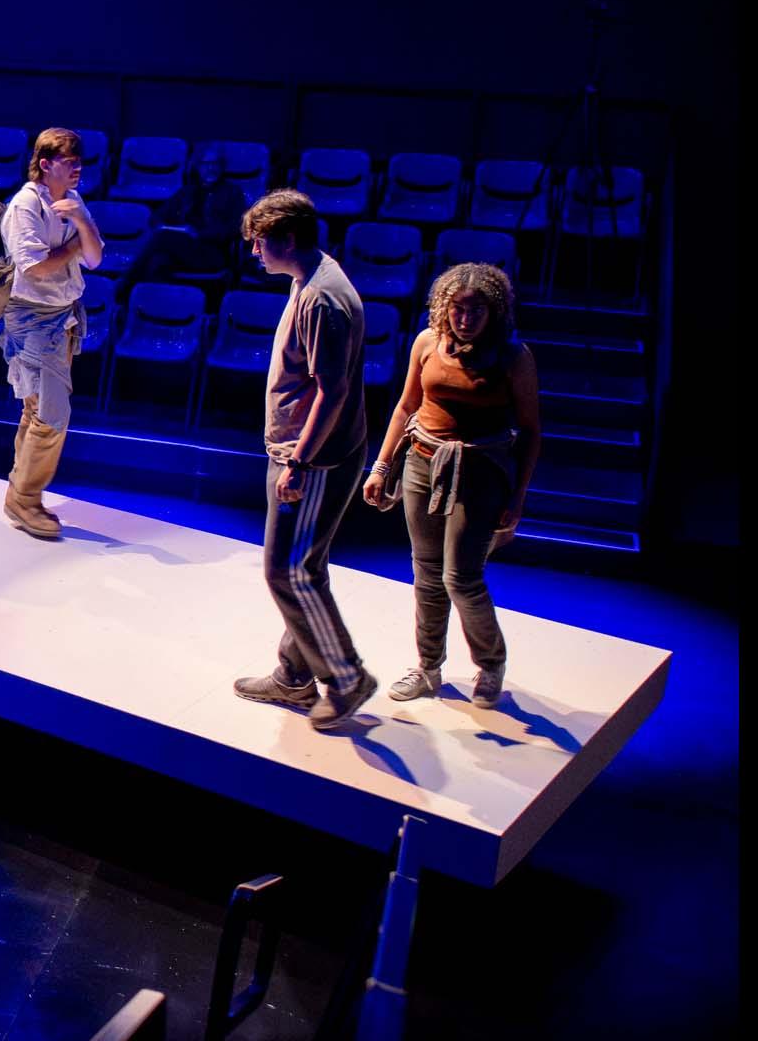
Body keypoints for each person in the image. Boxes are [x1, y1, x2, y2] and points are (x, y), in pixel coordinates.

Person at [367, 261, 541, 710]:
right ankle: (428, 667)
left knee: (461, 577)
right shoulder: (427, 343)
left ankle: (491, 663)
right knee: (425, 573)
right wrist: (382, 467)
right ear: (442, 307)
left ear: (495, 311)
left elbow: (531, 430)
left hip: (480, 470)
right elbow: (406, 408)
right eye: (456, 308)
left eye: (475, 310)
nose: (464, 318)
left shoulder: (513, 357)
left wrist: (517, 499)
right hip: (422, 463)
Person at [231, 189, 374, 732]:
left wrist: (299, 462)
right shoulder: (314, 278)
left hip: (312, 459)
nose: (254, 253)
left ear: (288, 239)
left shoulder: (320, 298)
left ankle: (344, 676)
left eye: (260, 243)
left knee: (287, 572)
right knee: (303, 566)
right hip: (312, 452)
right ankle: (294, 675)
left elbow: (330, 392)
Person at [0, 128, 104, 539]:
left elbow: (96, 258)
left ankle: (19, 493)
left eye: (80, 160)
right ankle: (25, 499)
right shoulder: (25, 204)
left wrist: (79, 222)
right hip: (31, 317)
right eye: (68, 159)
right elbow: (33, 268)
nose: (77, 166)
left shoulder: (73, 201)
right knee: (51, 413)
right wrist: (77, 243)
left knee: (37, 408)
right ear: (45, 163)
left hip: (63, 315)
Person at [116, 144, 251, 296]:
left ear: (222, 167)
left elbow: (236, 228)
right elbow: (157, 217)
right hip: (184, 250)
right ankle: (161, 308)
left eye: (215, 164)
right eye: (206, 164)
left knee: (161, 239)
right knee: (158, 263)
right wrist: (168, 226)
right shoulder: (188, 191)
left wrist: (199, 233)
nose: (211, 168)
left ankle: (122, 288)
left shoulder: (232, 192)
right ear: (198, 167)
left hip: (212, 253)